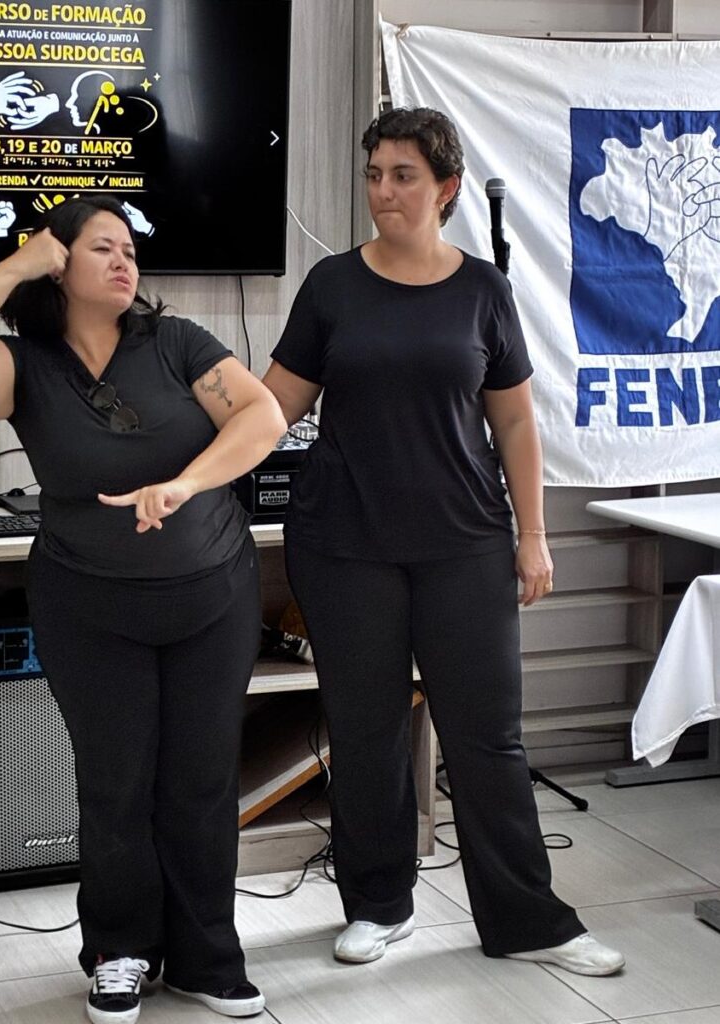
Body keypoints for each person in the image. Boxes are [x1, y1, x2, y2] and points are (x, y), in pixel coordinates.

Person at [262, 108, 625, 977]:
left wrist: (532, 536)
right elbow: (273, 407)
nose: (383, 191)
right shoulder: (331, 287)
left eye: (402, 176)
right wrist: (185, 457)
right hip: (345, 546)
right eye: (374, 174)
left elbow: (515, 423)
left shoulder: (483, 292)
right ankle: (378, 906)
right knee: (365, 732)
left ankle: (527, 920)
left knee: (487, 737)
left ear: (446, 188)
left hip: (465, 544)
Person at [0, 195, 286, 1023]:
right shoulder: (24, 364)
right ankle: (118, 953)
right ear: (59, 262)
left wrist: (187, 481)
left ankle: (206, 960)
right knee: (114, 786)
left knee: (198, 784)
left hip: (211, 597)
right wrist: (13, 263)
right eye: (102, 248)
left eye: (130, 250)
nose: (125, 262)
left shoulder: (178, 342)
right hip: (89, 606)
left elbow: (262, 414)